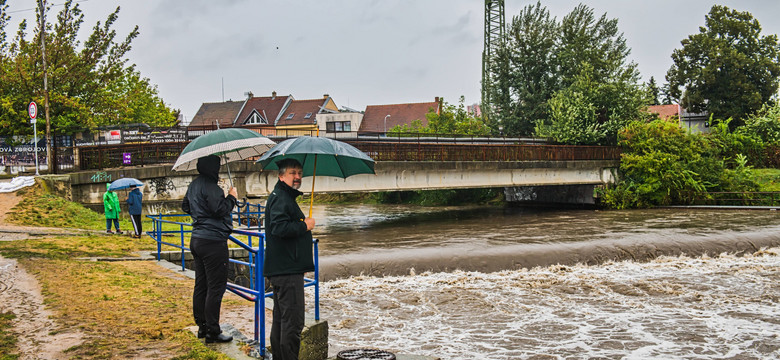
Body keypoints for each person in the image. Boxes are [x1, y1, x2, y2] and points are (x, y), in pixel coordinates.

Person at [181, 155, 237, 343]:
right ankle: (213, 331)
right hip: (213, 241)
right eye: (218, 165)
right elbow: (220, 209)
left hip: (196, 239)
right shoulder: (211, 187)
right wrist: (232, 197)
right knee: (216, 287)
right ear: (213, 168)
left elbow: (185, 206)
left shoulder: (194, 185)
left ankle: (202, 327)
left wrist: (200, 216)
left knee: (201, 285)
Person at [264, 158, 316, 360]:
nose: (297, 177)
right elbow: (279, 228)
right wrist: (305, 226)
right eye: (293, 173)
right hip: (287, 270)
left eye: (300, 173)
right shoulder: (281, 198)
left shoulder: (283, 196)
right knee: (293, 323)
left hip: (282, 268)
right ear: (281, 175)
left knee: (281, 321)